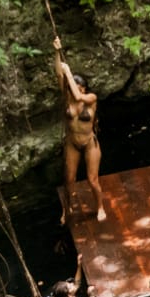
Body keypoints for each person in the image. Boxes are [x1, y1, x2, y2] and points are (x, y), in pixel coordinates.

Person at [54, 36, 106, 224]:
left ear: (84, 89)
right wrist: (57, 51)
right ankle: (66, 209)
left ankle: (100, 206)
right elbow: (59, 74)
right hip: (72, 143)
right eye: (75, 88)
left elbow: (72, 86)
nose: (77, 91)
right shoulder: (68, 97)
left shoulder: (90, 99)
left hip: (89, 142)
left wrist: (69, 72)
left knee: (92, 180)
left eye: (80, 88)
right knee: (69, 180)